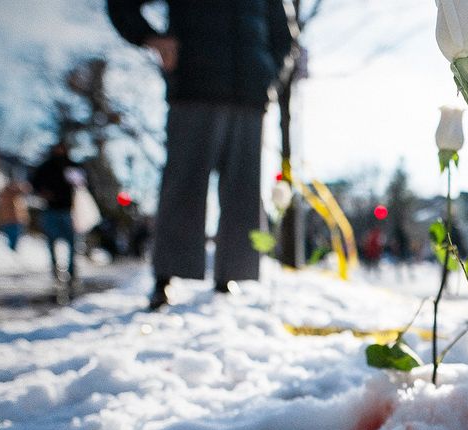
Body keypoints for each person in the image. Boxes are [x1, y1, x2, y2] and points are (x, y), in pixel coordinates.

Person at [108, 0, 294, 310]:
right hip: (194, 86)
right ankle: (166, 275)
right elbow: (121, 5)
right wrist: (150, 37)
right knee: (183, 184)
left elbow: (285, 37)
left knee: (244, 190)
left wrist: (269, 78)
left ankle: (231, 274)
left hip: (249, 93)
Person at [31, 141, 83, 282]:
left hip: (68, 209)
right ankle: (55, 268)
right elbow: (34, 182)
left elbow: (82, 183)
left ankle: (71, 270)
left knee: (72, 242)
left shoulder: (71, 165)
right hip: (50, 209)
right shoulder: (46, 166)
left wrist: (77, 183)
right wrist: (42, 192)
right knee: (51, 240)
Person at [0, 176, 31, 252]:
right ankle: (12, 251)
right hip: (13, 220)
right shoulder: (12, 192)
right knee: (13, 237)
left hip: (9, 220)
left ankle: (11, 251)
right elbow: (25, 189)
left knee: (12, 237)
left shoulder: (4, 193)